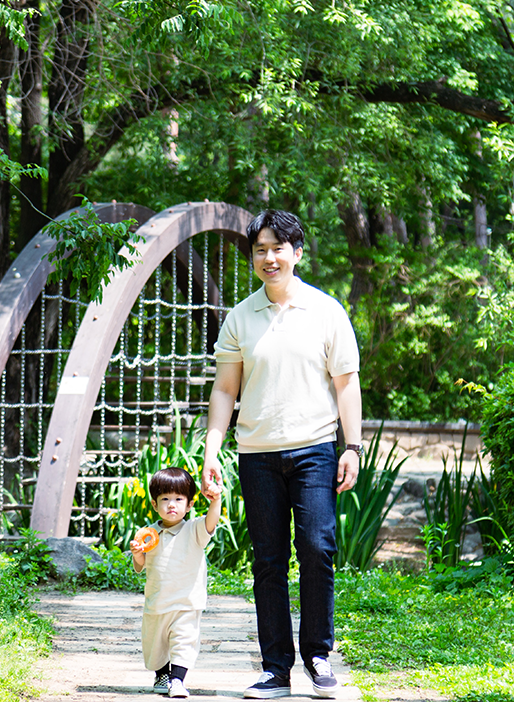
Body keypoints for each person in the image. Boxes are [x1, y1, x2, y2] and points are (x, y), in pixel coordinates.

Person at [201, 209, 362, 699]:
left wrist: (352, 446)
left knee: (316, 549)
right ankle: (275, 669)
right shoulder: (240, 318)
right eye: (260, 251)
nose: (269, 258)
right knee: (268, 561)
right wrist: (211, 449)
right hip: (257, 455)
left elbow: (346, 384)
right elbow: (225, 389)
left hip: (315, 449)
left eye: (278, 249)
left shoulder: (326, 311)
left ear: (297, 253)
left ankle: (318, 656)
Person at [132, 467, 223, 698]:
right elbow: (141, 565)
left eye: (178, 499)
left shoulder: (194, 529)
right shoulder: (148, 534)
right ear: (155, 504)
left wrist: (215, 501)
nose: (171, 505)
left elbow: (212, 521)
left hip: (186, 602)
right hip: (157, 602)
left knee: (184, 641)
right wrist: (137, 553)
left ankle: (177, 680)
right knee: (156, 644)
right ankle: (162, 674)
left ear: (189, 504)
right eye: (165, 499)